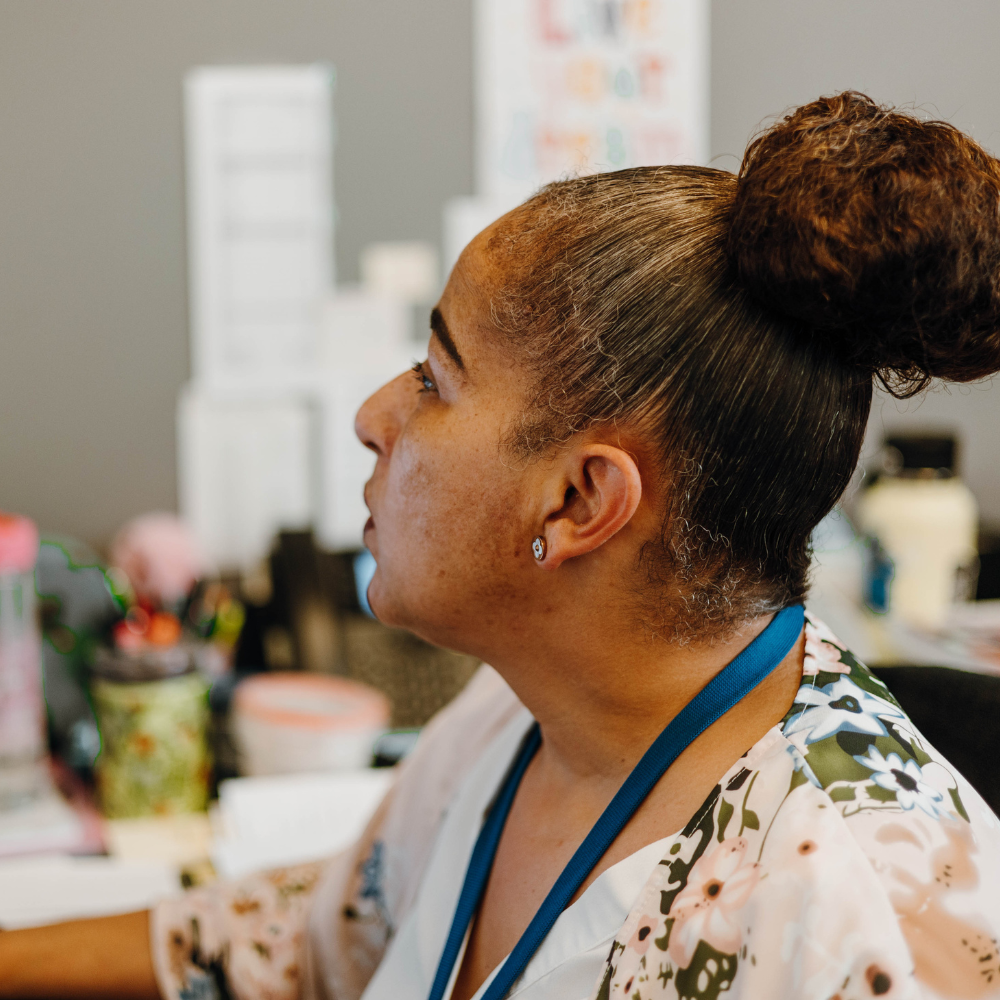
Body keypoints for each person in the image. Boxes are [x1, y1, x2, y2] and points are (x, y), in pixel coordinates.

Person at [3, 91, 1000, 1000]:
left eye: (436, 377)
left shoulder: (856, 934)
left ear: (577, 499)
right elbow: (315, 946)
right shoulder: (520, 710)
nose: (372, 413)